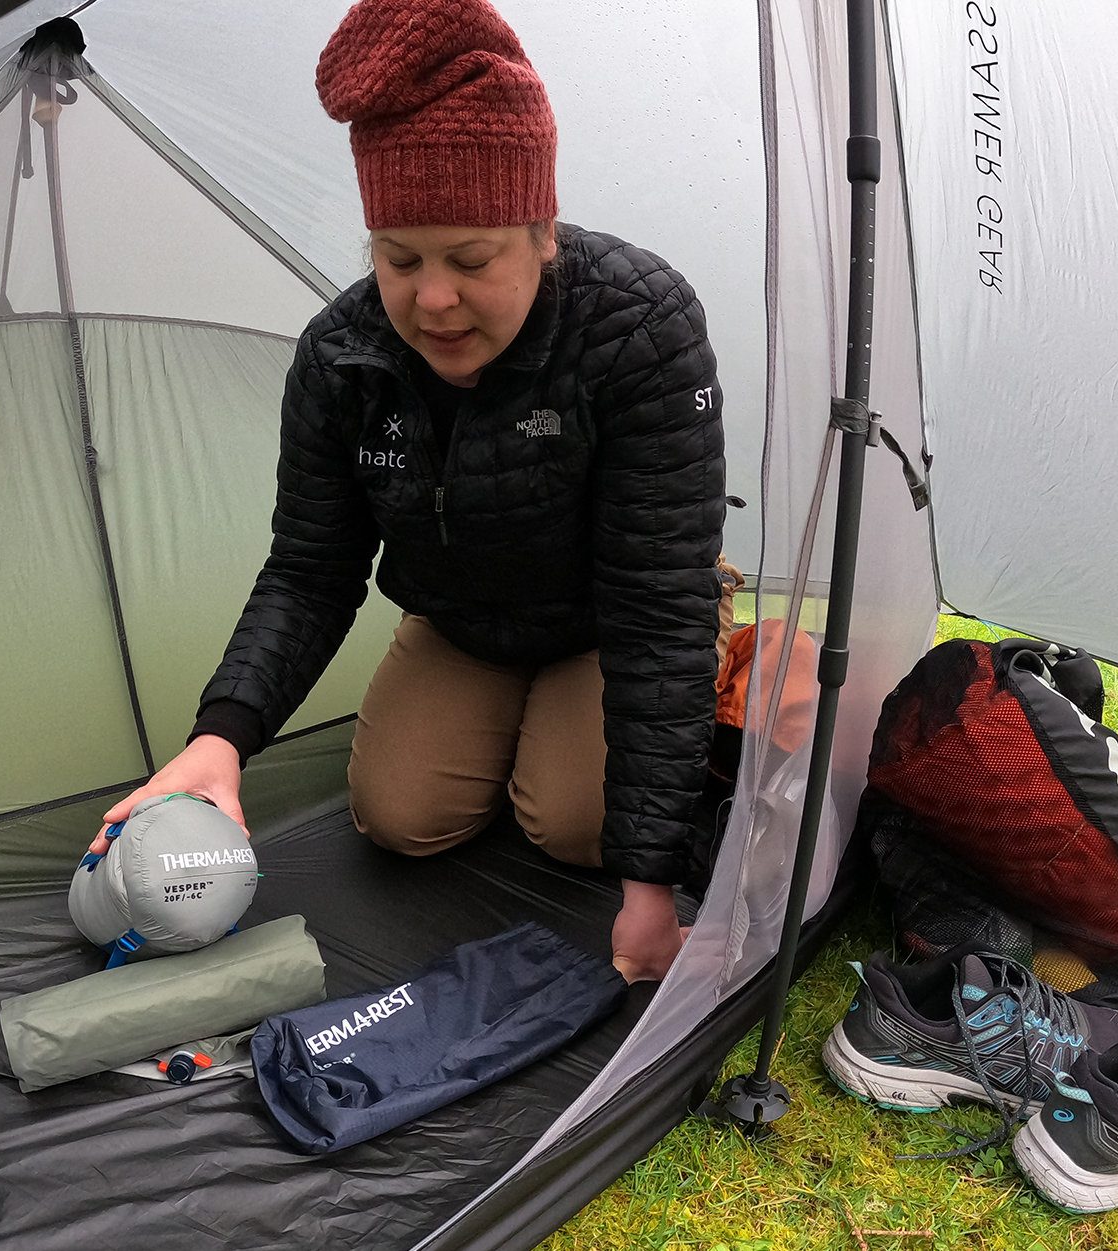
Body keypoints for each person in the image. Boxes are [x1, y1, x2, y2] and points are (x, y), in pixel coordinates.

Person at [95, 0, 725, 983]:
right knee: (398, 819)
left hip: (606, 617)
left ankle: (592, 737)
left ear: (540, 235)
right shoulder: (342, 357)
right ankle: (511, 716)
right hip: (460, 617)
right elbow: (309, 568)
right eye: (399, 259)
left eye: (471, 261)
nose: (432, 299)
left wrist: (649, 885)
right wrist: (221, 737)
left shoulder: (638, 327)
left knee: (573, 825)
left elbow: (657, 602)